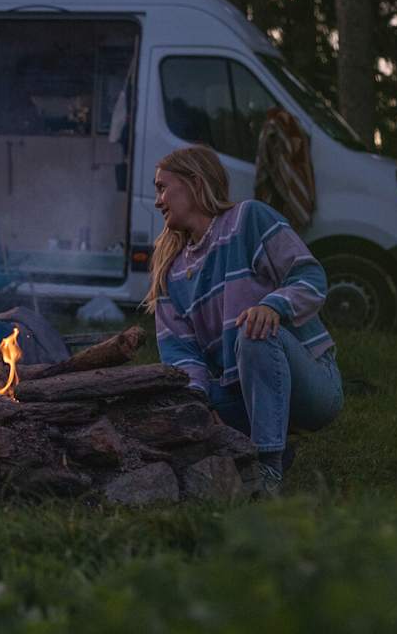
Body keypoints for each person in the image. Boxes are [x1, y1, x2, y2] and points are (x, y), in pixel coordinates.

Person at [144, 145, 343, 496]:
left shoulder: (248, 220)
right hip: (241, 397)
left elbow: (310, 279)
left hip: (310, 387)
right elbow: (182, 357)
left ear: (194, 182)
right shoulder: (170, 274)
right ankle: (252, 449)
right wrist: (200, 407)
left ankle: (267, 468)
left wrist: (273, 307)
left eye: (163, 187)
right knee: (169, 399)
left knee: (252, 331)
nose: (158, 200)